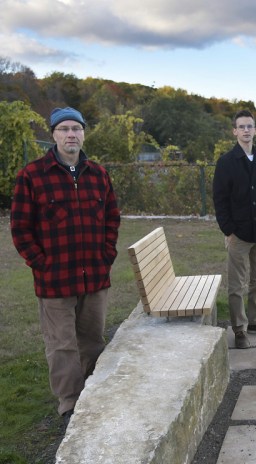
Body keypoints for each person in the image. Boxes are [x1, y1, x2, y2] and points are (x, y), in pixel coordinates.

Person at [11, 107, 121, 427]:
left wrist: (106, 255)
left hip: (95, 276)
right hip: (54, 279)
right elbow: (21, 229)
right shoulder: (32, 176)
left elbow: (112, 219)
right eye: (64, 129)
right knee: (61, 344)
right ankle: (70, 404)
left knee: (92, 339)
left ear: (84, 133)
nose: (71, 134)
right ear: (54, 135)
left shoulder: (98, 175)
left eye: (76, 128)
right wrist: (41, 264)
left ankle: (93, 391)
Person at [213, 110, 256, 348]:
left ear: (255, 130)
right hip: (238, 234)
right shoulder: (226, 163)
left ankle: (255, 319)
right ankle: (239, 328)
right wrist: (228, 229)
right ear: (235, 131)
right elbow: (219, 200)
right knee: (236, 284)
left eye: (249, 126)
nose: (245, 130)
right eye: (241, 127)